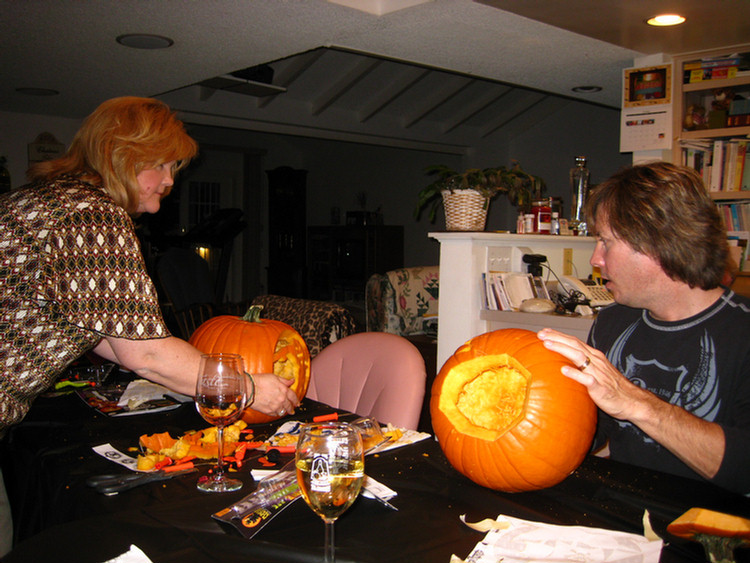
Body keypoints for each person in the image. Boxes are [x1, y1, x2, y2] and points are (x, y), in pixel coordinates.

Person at [0, 97, 299, 555]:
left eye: (174, 166)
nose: (169, 180)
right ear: (119, 155)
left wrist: (185, 375)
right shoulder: (89, 213)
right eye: (160, 164)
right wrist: (250, 387)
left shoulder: (42, 199)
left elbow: (108, 335)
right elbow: (146, 352)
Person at [538, 161, 750, 495]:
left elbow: (744, 469)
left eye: (606, 242)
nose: (595, 259)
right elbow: (588, 431)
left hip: (709, 532)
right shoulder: (612, 322)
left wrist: (636, 402)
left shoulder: (742, 333)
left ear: (659, 242)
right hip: (624, 514)